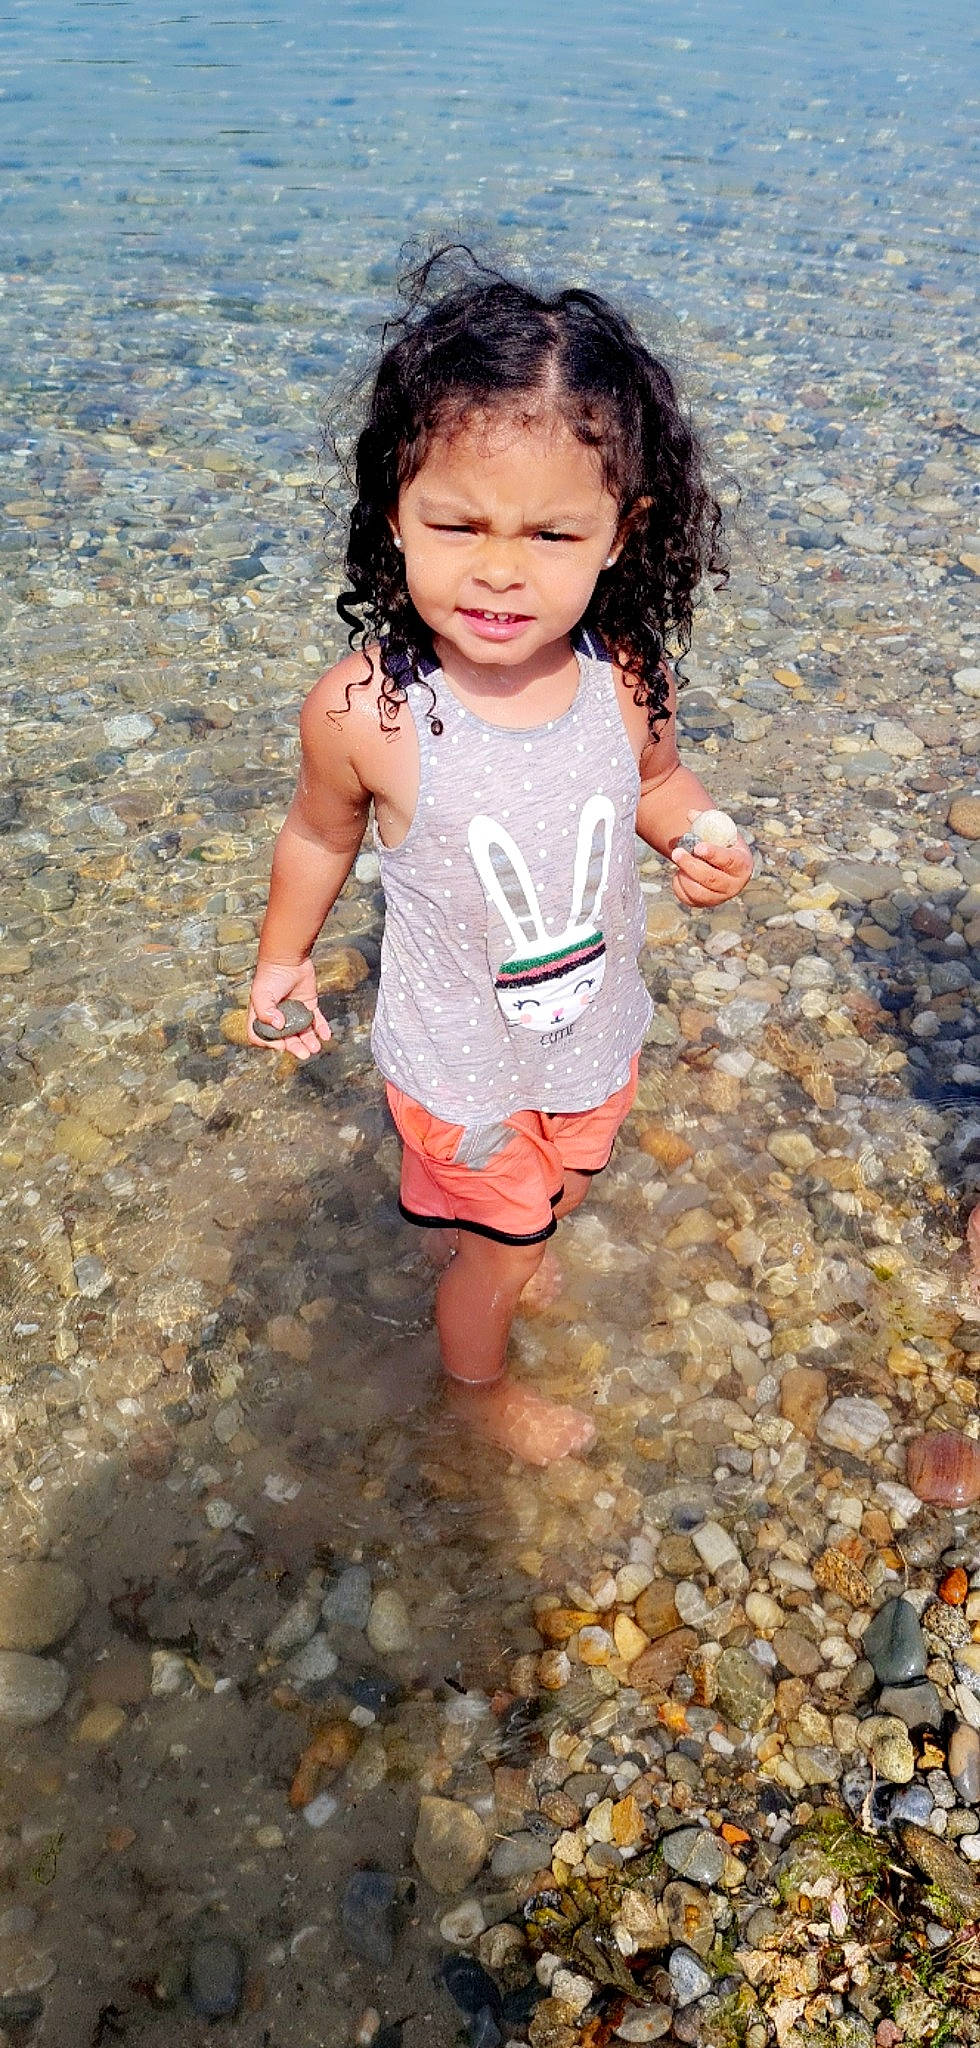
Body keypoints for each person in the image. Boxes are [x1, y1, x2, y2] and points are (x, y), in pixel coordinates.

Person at [247, 247, 753, 1466]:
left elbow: (650, 784)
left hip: (588, 1036)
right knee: (502, 1250)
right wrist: (280, 963)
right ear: (393, 513)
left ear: (619, 533)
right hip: (458, 1069)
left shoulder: (622, 677)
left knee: (560, 1190)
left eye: (548, 531)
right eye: (457, 521)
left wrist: (695, 834)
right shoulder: (365, 709)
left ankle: (474, 1236)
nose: (498, 568)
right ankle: (474, 1389)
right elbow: (318, 831)